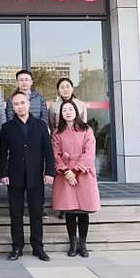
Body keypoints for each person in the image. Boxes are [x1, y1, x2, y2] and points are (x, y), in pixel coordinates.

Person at [0, 90, 54, 262]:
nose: (20, 106)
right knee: (16, 213)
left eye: (22, 103)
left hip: (35, 176)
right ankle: (17, 247)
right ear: (12, 107)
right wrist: (3, 173)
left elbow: (48, 151)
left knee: (36, 213)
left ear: (29, 104)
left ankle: (38, 247)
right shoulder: (7, 127)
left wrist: (49, 172)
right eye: (16, 104)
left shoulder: (40, 125)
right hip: (14, 175)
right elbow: (2, 153)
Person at [52, 100, 101, 258]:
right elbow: (55, 154)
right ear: (60, 114)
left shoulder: (86, 129)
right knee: (70, 211)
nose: (68, 112)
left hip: (83, 173)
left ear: (76, 111)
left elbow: (89, 152)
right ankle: (73, 244)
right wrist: (66, 171)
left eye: (70, 109)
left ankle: (83, 244)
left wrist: (76, 170)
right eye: (64, 110)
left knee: (83, 211)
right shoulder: (57, 132)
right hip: (65, 175)